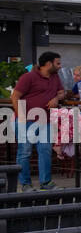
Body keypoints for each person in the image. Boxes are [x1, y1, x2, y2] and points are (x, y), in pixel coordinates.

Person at [12, 51, 64, 191]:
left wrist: (56, 98)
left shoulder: (55, 77)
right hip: (26, 120)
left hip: (45, 120)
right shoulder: (28, 77)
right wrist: (21, 117)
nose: (60, 66)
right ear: (48, 64)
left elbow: (61, 92)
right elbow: (15, 96)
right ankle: (25, 184)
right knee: (24, 152)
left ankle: (46, 182)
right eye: (57, 63)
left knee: (45, 150)